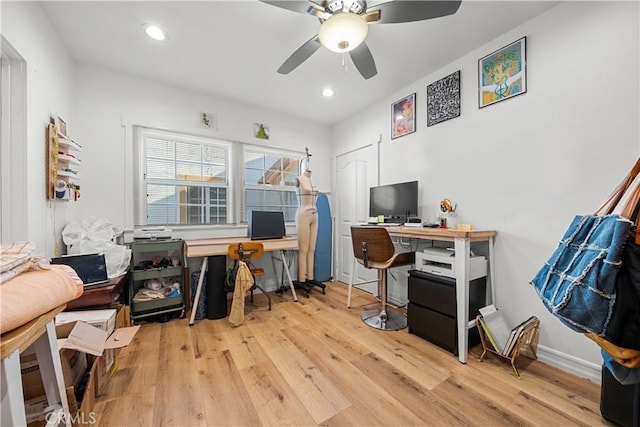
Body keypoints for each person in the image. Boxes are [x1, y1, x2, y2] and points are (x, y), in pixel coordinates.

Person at [295, 169, 318, 294]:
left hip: (315, 214)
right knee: (303, 249)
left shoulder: (313, 179)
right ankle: (302, 278)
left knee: (312, 248)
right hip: (303, 213)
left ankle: (310, 277)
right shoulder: (299, 179)